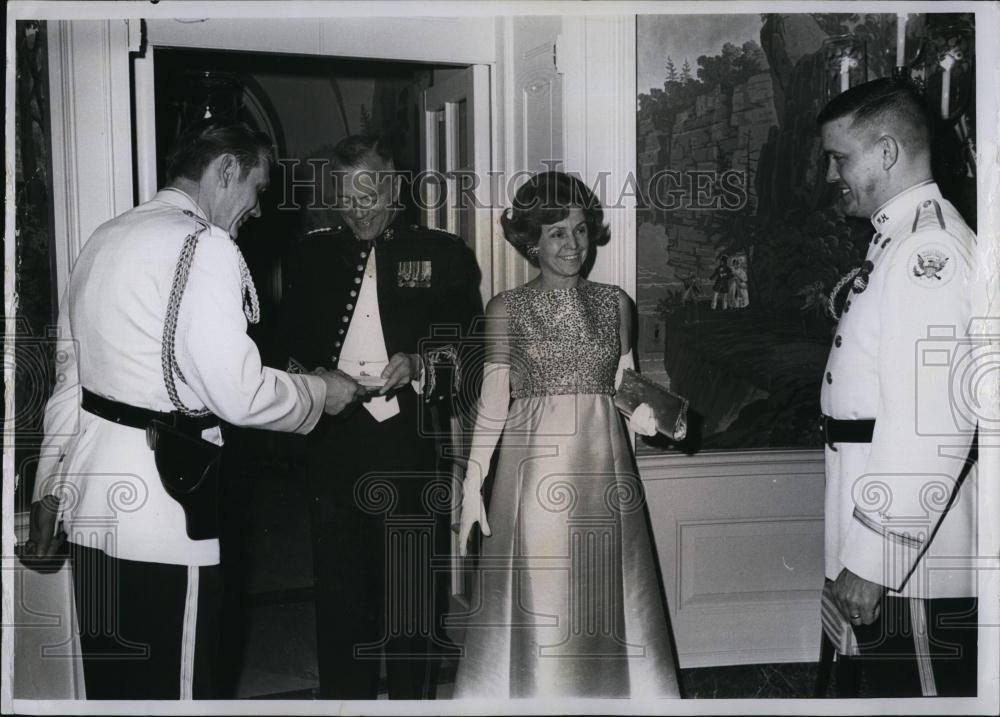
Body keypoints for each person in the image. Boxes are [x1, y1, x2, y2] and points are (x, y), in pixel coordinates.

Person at [21, 120, 366, 700]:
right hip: (164, 508)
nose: (256, 211)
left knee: (116, 688)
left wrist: (48, 486)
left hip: (90, 504)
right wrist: (320, 393)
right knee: (177, 691)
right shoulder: (205, 244)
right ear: (226, 169)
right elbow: (237, 392)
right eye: (256, 190)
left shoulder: (106, 236)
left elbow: (69, 382)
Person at [453, 171, 681, 699]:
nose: (573, 244)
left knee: (604, 588)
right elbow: (492, 402)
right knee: (547, 592)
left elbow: (627, 387)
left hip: (605, 469)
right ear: (530, 239)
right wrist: (472, 486)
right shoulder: (506, 309)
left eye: (580, 230)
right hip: (535, 474)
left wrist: (647, 418)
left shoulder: (616, 302)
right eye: (557, 232)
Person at [279, 134, 482, 699]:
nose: (356, 209)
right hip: (333, 442)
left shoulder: (445, 255)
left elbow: (471, 350)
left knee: (412, 590)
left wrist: (418, 363)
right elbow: (286, 349)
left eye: (367, 195)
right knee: (342, 590)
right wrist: (320, 380)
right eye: (344, 198)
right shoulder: (310, 255)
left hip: (409, 443)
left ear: (394, 188)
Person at [818, 79, 978, 697]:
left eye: (840, 158)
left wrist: (877, 558)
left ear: (886, 152)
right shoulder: (900, 239)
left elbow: (930, 420)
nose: (833, 174)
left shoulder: (927, 250)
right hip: (882, 523)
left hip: (914, 562)